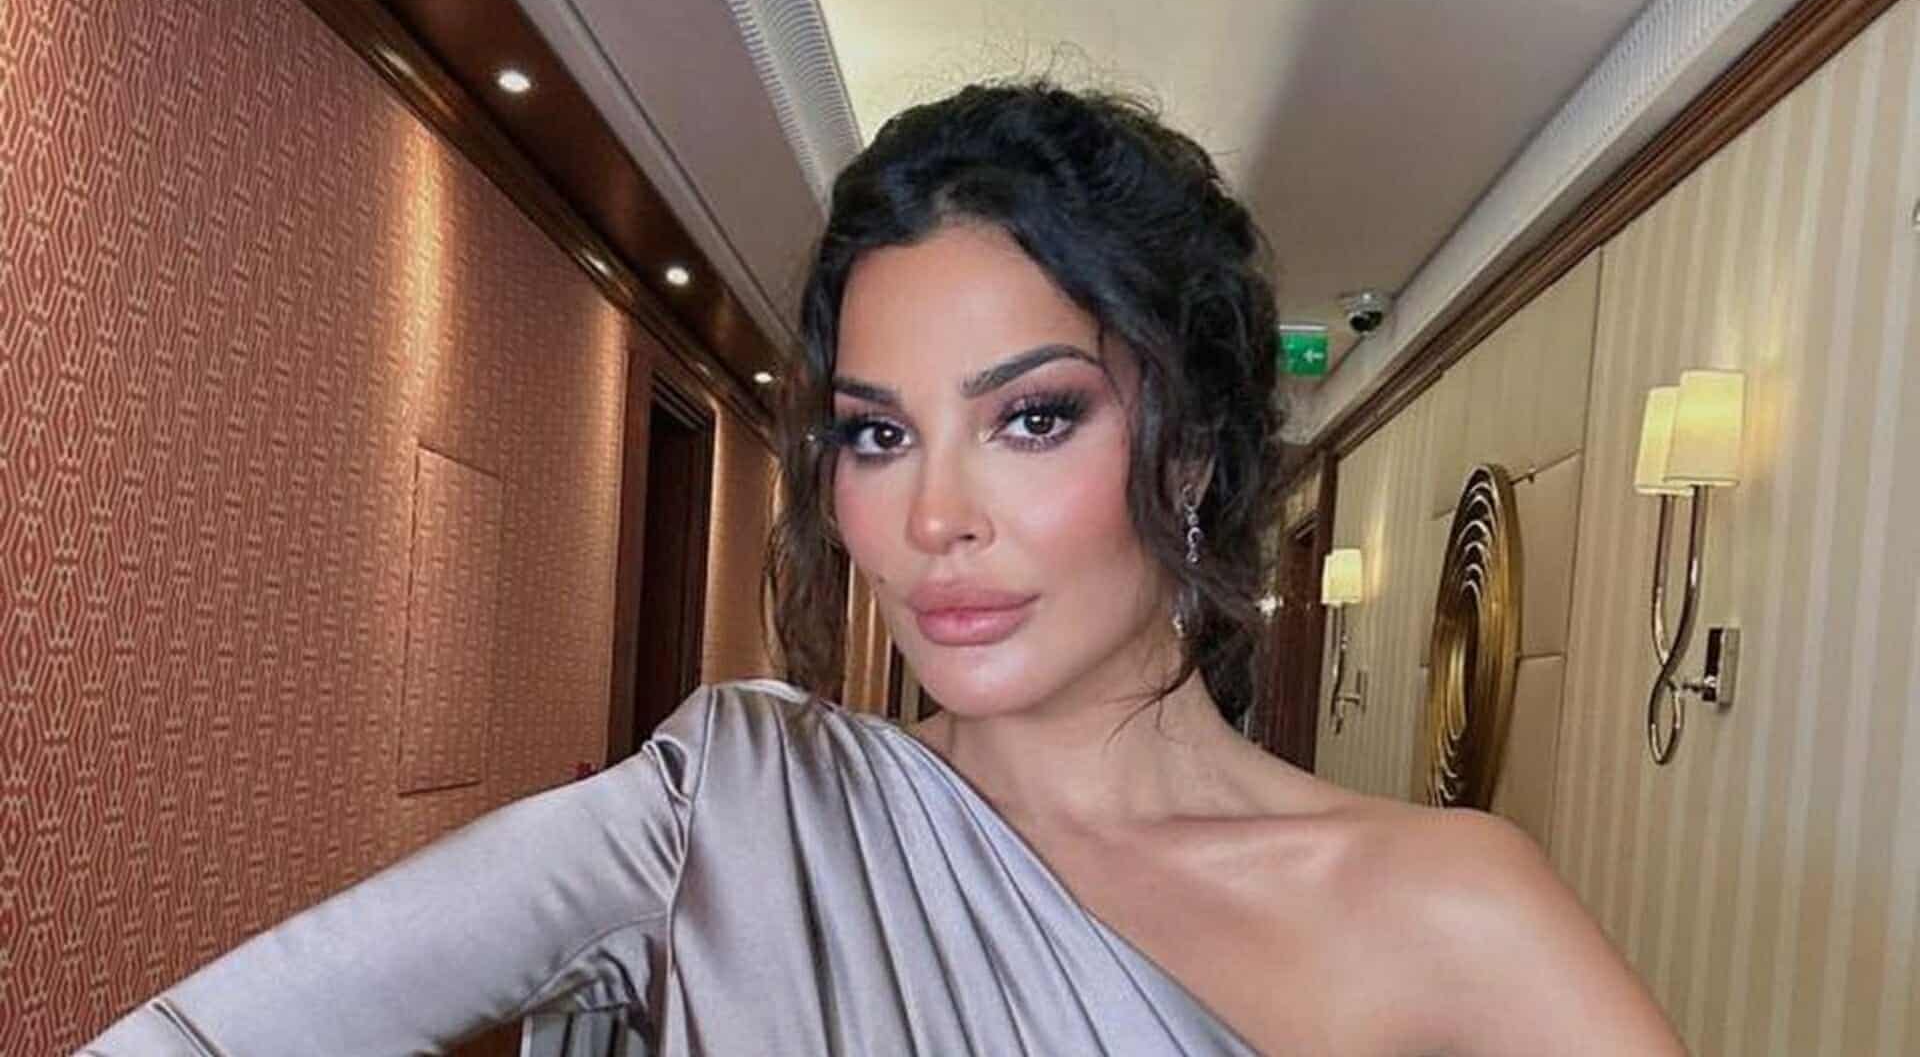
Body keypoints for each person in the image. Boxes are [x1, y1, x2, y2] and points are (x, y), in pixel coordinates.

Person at [83, 82, 1683, 1055]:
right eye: (875, 434)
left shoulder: (1454, 910)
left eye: (1032, 418)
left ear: (1191, 446)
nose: (932, 520)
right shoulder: (727, 819)